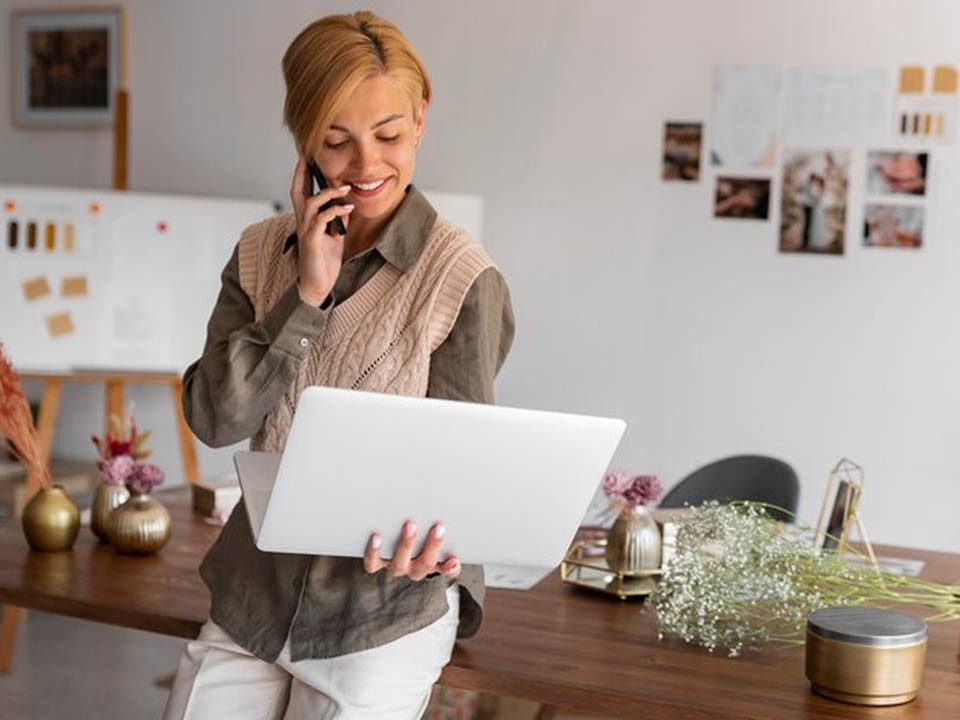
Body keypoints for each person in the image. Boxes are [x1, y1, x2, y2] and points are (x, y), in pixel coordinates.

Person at [162, 11, 514, 720]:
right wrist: (308, 294)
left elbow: (456, 464)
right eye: (336, 139)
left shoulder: (462, 280)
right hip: (255, 595)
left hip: (380, 607)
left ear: (420, 119)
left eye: (388, 135)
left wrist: (436, 539)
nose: (365, 166)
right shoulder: (261, 253)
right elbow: (215, 419)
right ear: (302, 138)